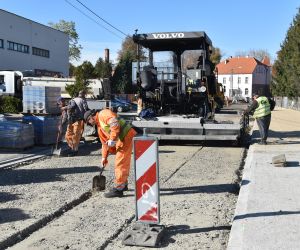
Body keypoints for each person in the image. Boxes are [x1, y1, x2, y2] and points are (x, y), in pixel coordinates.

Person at [84, 108, 137, 198]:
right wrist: (104, 157)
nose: (89, 124)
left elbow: (114, 123)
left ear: (91, 117)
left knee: (120, 163)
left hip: (125, 136)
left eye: (88, 121)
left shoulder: (103, 114)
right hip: (121, 138)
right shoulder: (100, 127)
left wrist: (112, 138)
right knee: (122, 162)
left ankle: (119, 188)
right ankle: (123, 185)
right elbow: (105, 144)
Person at [65, 90, 89, 156]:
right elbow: (86, 109)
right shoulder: (82, 101)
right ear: (83, 95)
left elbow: (71, 108)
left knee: (69, 135)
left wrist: (65, 108)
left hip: (72, 120)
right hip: (77, 120)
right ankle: (74, 149)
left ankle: (72, 148)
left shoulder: (73, 100)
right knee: (76, 136)